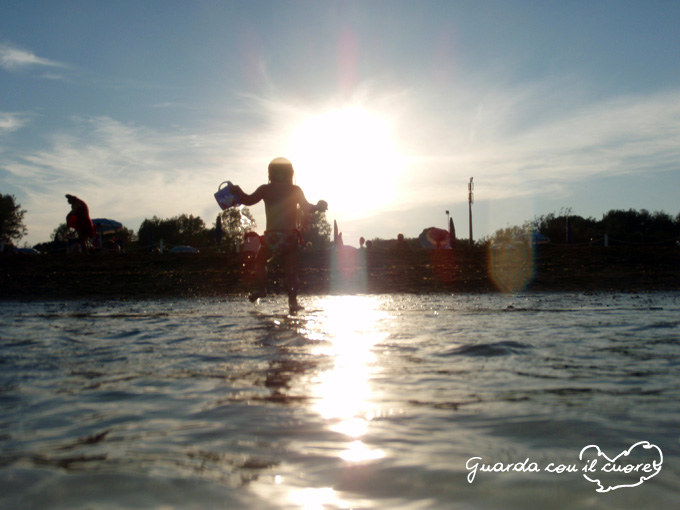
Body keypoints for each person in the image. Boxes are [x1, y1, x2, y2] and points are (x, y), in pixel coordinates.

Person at [229, 157, 328, 313]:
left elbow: (247, 200)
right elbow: (307, 208)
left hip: (272, 237)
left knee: (260, 262)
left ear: (270, 173)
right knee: (291, 271)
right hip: (290, 237)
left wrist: (237, 190)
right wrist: (319, 206)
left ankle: (262, 290)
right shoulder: (295, 190)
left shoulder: (265, 189)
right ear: (290, 173)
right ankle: (293, 302)